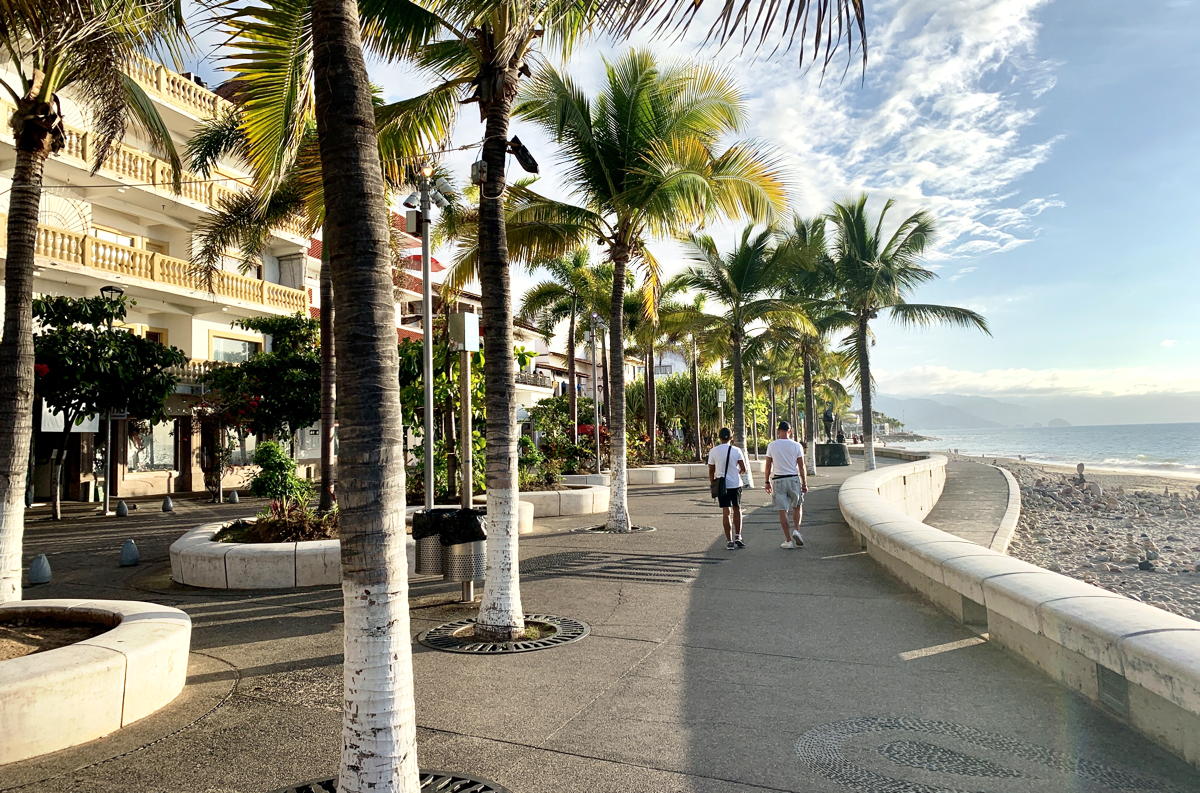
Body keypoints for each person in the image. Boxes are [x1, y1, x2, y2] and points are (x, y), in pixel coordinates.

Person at [764, 421, 809, 549]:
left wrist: (767, 482)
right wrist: (804, 483)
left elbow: (768, 465)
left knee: (782, 511)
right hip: (793, 479)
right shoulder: (797, 446)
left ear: (778, 431)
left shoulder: (772, 445)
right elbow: (801, 466)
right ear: (790, 431)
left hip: (778, 480)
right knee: (797, 506)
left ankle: (788, 540)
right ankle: (796, 530)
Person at [707, 427, 748, 550]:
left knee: (726, 512)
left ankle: (729, 541)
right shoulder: (736, 450)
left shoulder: (714, 451)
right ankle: (738, 536)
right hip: (735, 484)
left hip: (721, 484)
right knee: (737, 509)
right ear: (731, 438)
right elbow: (743, 468)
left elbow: (711, 469)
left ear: (719, 438)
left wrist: (713, 481)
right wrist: (736, 472)